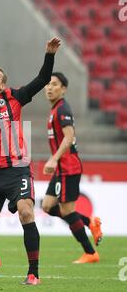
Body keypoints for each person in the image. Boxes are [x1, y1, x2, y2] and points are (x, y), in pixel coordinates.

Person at [0, 37, 61, 285]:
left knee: (26, 212)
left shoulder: (14, 98)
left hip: (18, 168)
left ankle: (33, 273)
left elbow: (41, 80)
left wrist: (49, 55)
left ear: (2, 85)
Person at [41, 72, 102, 263]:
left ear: (64, 89)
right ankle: (89, 222)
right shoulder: (55, 109)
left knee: (67, 211)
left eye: (55, 84)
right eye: (48, 84)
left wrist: (53, 159)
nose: (49, 88)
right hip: (61, 168)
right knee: (48, 206)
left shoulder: (62, 109)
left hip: (68, 167)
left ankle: (90, 253)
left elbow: (69, 137)